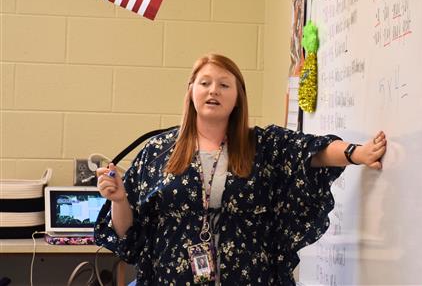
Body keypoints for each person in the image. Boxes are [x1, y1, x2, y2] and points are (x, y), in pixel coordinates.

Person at [95, 53, 387, 285]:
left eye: (224, 84)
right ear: (191, 91)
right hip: (172, 278)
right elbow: (129, 234)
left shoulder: (263, 145)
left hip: (252, 277)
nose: (213, 91)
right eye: (205, 83)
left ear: (237, 97)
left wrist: (356, 153)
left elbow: (314, 152)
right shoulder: (158, 152)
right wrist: (119, 200)